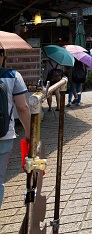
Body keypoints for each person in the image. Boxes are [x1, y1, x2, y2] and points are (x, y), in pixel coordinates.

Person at [0, 48, 31, 208]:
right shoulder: (12, 76)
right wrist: (29, 132)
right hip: (4, 135)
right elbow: (23, 107)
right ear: (3, 57)